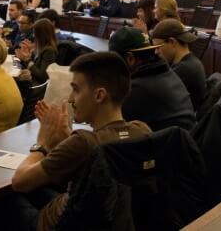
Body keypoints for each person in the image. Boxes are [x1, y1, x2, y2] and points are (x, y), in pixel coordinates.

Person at [10, 52, 152, 231]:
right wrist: (67, 139)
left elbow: (19, 181)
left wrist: (42, 144)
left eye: (76, 89)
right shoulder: (141, 131)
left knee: (4, 199)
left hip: (52, 223)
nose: (70, 98)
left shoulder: (83, 143)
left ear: (99, 95)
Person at [109, 27, 195, 131]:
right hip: (182, 142)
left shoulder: (138, 88)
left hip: (166, 145)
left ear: (130, 58)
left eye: (113, 61)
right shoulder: (165, 72)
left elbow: (111, 126)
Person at [151, 20, 206, 111]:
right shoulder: (190, 62)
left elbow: (158, 100)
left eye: (158, 47)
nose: (156, 52)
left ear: (172, 42)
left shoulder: (184, 70)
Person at [16, 19, 59, 86]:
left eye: (35, 32)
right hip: (31, 81)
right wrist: (25, 57)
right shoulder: (39, 47)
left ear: (40, 34)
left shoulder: (49, 51)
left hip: (37, 86)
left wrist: (27, 60)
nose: (33, 35)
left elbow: (42, 76)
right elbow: (31, 66)